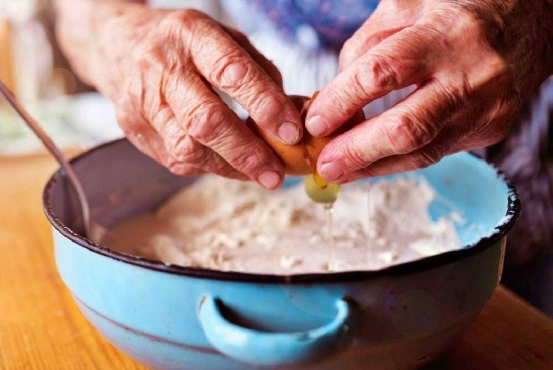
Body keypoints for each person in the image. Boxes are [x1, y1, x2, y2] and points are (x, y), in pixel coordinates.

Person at [54, 0, 553, 313]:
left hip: (524, 149)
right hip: (264, 88)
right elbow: (80, 11)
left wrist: (529, 16)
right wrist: (116, 32)